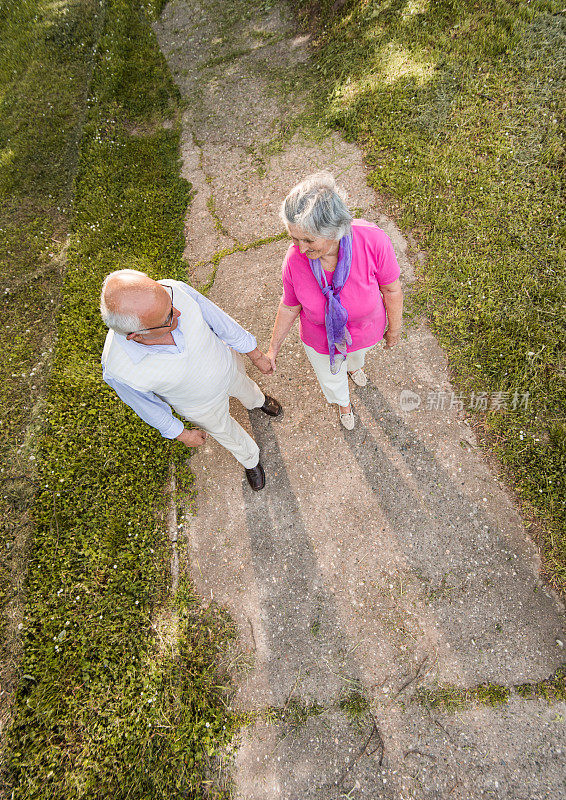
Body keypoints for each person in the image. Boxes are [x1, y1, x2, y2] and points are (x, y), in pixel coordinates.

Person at [100, 269, 280, 491]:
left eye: (169, 301)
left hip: (227, 366)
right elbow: (147, 407)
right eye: (168, 317)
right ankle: (250, 459)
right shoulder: (118, 369)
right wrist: (181, 434)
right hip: (200, 406)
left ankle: (257, 401)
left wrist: (256, 355)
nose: (178, 312)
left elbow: (221, 321)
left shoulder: (175, 290)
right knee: (225, 432)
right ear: (135, 335)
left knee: (245, 387)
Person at [266, 172, 403, 430]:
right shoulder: (295, 259)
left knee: (356, 358)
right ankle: (344, 404)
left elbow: (392, 290)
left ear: (334, 231)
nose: (301, 248)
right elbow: (289, 304)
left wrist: (394, 330)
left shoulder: (373, 240)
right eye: (294, 238)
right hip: (320, 340)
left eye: (308, 239)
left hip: (364, 331)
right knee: (332, 378)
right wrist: (273, 349)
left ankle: (353, 368)